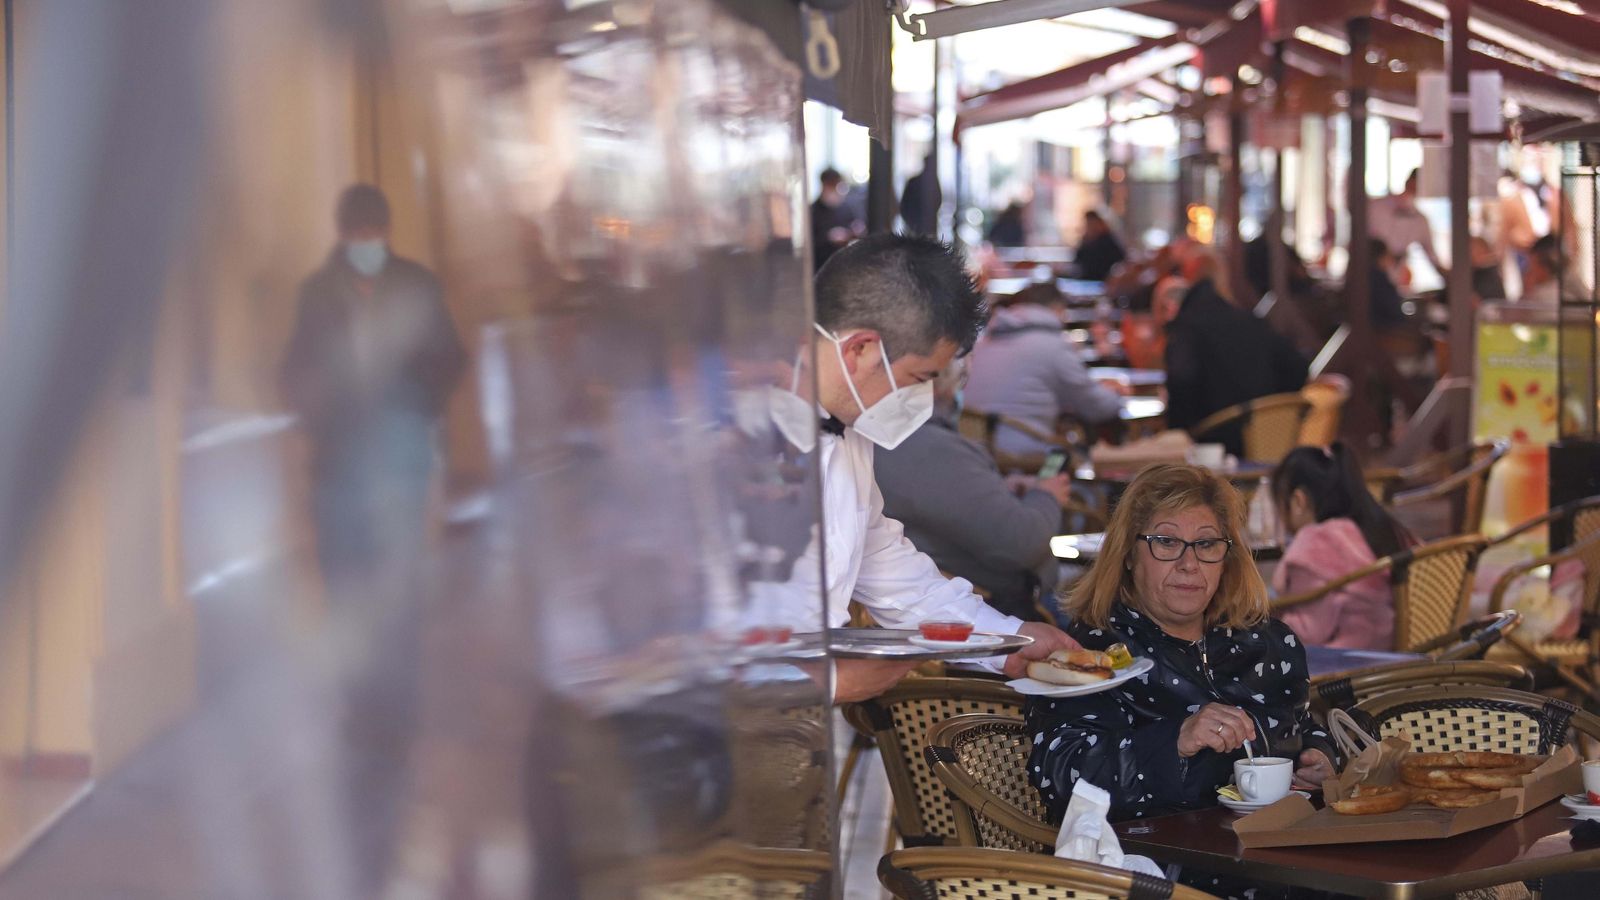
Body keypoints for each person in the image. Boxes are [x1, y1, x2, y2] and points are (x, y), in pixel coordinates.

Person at [763, 233, 1076, 702]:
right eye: (918, 379)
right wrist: (823, 682)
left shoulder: (851, 432)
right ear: (860, 350)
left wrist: (1004, 641)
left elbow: (887, 566)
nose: (924, 400)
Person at [1026, 464, 1336, 826]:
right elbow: (1059, 775)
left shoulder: (1268, 642)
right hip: (1153, 868)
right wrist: (1174, 741)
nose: (1189, 564)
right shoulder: (1090, 655)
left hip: (1276, 858)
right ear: (1128, 554)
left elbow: (1298, 723)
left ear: (1227, 557)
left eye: (1205, 544)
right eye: (1166, 542)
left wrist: (1321, 755)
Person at [281, 184, 467, 580]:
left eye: (374, 233)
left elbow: (451, 357)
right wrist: (317, 419)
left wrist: (420, 406)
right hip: (338, 462)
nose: (367, 243)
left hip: (402, 458)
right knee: (344, 577)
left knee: (398, 581)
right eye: (358, 234)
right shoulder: (316, 294)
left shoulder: (417, 287)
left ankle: (398, 642)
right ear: (342, 235)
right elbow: (295, 370)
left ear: (387, 232)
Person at [875, 355, 1073, 621]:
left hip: (951, 605)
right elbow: (1021, 542)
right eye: (962, 379)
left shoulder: (889, 437)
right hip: (993, 611)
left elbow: (946, 499)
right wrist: (1046, 496)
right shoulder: (933, 449)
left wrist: (998, 490)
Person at [1162, 252, 1308, 458]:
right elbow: (1298, 368)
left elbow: (1181, 380)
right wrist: (1269, 407)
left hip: (1212, 444)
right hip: (1268, 440)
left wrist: (1178, 429)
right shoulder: (1251, 322)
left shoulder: (1187, 327)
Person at [1271, 444, 1416, 649]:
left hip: (1354, 664)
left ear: (1298, 501)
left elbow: (1308, 633)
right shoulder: (1382, 527)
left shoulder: (1314, 546)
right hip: (1408, 653)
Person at [963, 281, 1123, 457]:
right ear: (1058, 309)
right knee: (1077, 461)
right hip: (1024, 458)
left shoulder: (984, 342)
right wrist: (1116, 394)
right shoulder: (1053, 346)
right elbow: (1099, 407)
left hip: (972, 450)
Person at [1369, 169, 1445, 284]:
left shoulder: (1420, 221)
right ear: (1407, 182)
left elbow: (1433, 258)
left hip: (1395, 280)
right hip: (1369, 275)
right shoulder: (1376, 207)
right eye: (1414, 184)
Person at [811, 168, 862, 270]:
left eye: (836, 185)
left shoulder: (847, 207)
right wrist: (828, 238)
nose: (834, 190)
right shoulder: (813, 211)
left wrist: (854, 231)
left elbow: (856, 225)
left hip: (844, 263)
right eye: (830, 185)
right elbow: (810, 241)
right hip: (820, 265)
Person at [1072, 210, 1127, 282]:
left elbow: (1120, 260)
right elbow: (1078, 261)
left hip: (1102, 280)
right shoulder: (1087, 240)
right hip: (1086, 279)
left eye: (1091, 223)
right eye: (1088, 224)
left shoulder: (1107, 241)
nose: (1089, 226)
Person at [1367, 239, 1409, 329]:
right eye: (1388, 256)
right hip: (1384, 335)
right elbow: (1395, 312)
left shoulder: (1362, 277)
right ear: (1381, 257)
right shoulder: (1379, 279)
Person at [899, 154, 941, 236]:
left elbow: (938, 201)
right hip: (915, 226)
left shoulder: (933, 183)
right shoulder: (914, 182)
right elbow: (904, 205)